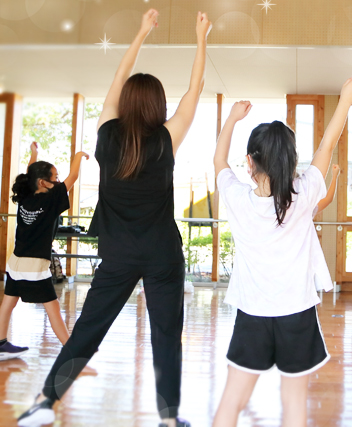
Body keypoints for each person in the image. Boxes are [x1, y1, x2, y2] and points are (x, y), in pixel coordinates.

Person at [17, 9, 212, 427]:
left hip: (118, 255)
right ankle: (168, 416)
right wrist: (200, 39)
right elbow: (195, 91)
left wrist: (140, 33)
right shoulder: (166, 139)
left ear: (125, 103)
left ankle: (45, 403)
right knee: (165, 338)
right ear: (159, 106)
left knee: (87, 331)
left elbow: (115, 84)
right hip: (162, 255)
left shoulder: (107, 134)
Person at [211, 76, 352, 427]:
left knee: (232, 400)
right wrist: (344, 100)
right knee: (293, 402)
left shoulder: (236, 198)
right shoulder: (305, 192)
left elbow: (219, 158)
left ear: (249, 163)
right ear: (291, 160)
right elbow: (327, 146)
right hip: (297, 314)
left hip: (252, 314)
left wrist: (232, 119)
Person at [0, 142, 87, 360]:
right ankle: (72, 350)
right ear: (43, 182)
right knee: (53, 309)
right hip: (34, 266)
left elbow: (31, 173)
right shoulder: (52, 198)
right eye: (55, 177)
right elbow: (73, 177)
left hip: (16, 261)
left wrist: (34, 154)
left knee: (8, 301)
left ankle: (0, 344)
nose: (58, 181)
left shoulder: (26, 195)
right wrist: (78, 155)